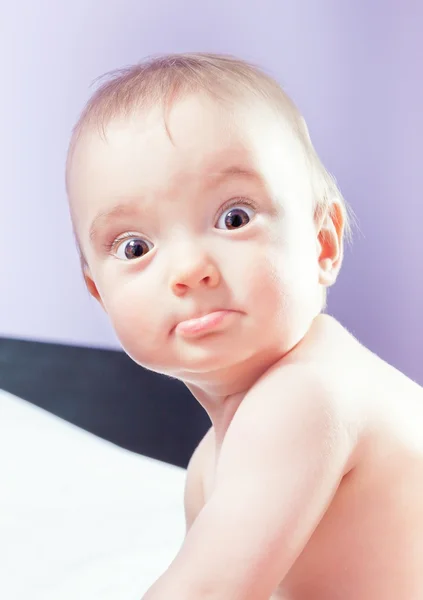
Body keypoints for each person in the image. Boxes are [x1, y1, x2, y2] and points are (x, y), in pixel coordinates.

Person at [65, 52, 423, 599]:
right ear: (99, 293)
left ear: (323, 243)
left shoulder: (307, 394)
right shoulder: (210, 464)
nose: (189, 270)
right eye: (135, 247)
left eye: (234, 218)